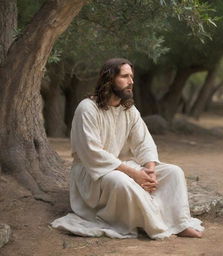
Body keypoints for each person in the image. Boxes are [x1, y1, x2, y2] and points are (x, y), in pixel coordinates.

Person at [51, 58, 204, 239]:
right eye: (125, 76)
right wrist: (133, 173)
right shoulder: (87, 109)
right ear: (109, 79)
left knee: (174, 172)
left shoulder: (128, 110)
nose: (131, 81)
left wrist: (150, 171)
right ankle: (155, 226)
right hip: (93, 173)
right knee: (121, 181)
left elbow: (144, 142)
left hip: (119, 166)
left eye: (131, 76)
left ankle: (180, 224)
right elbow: (92, 153)